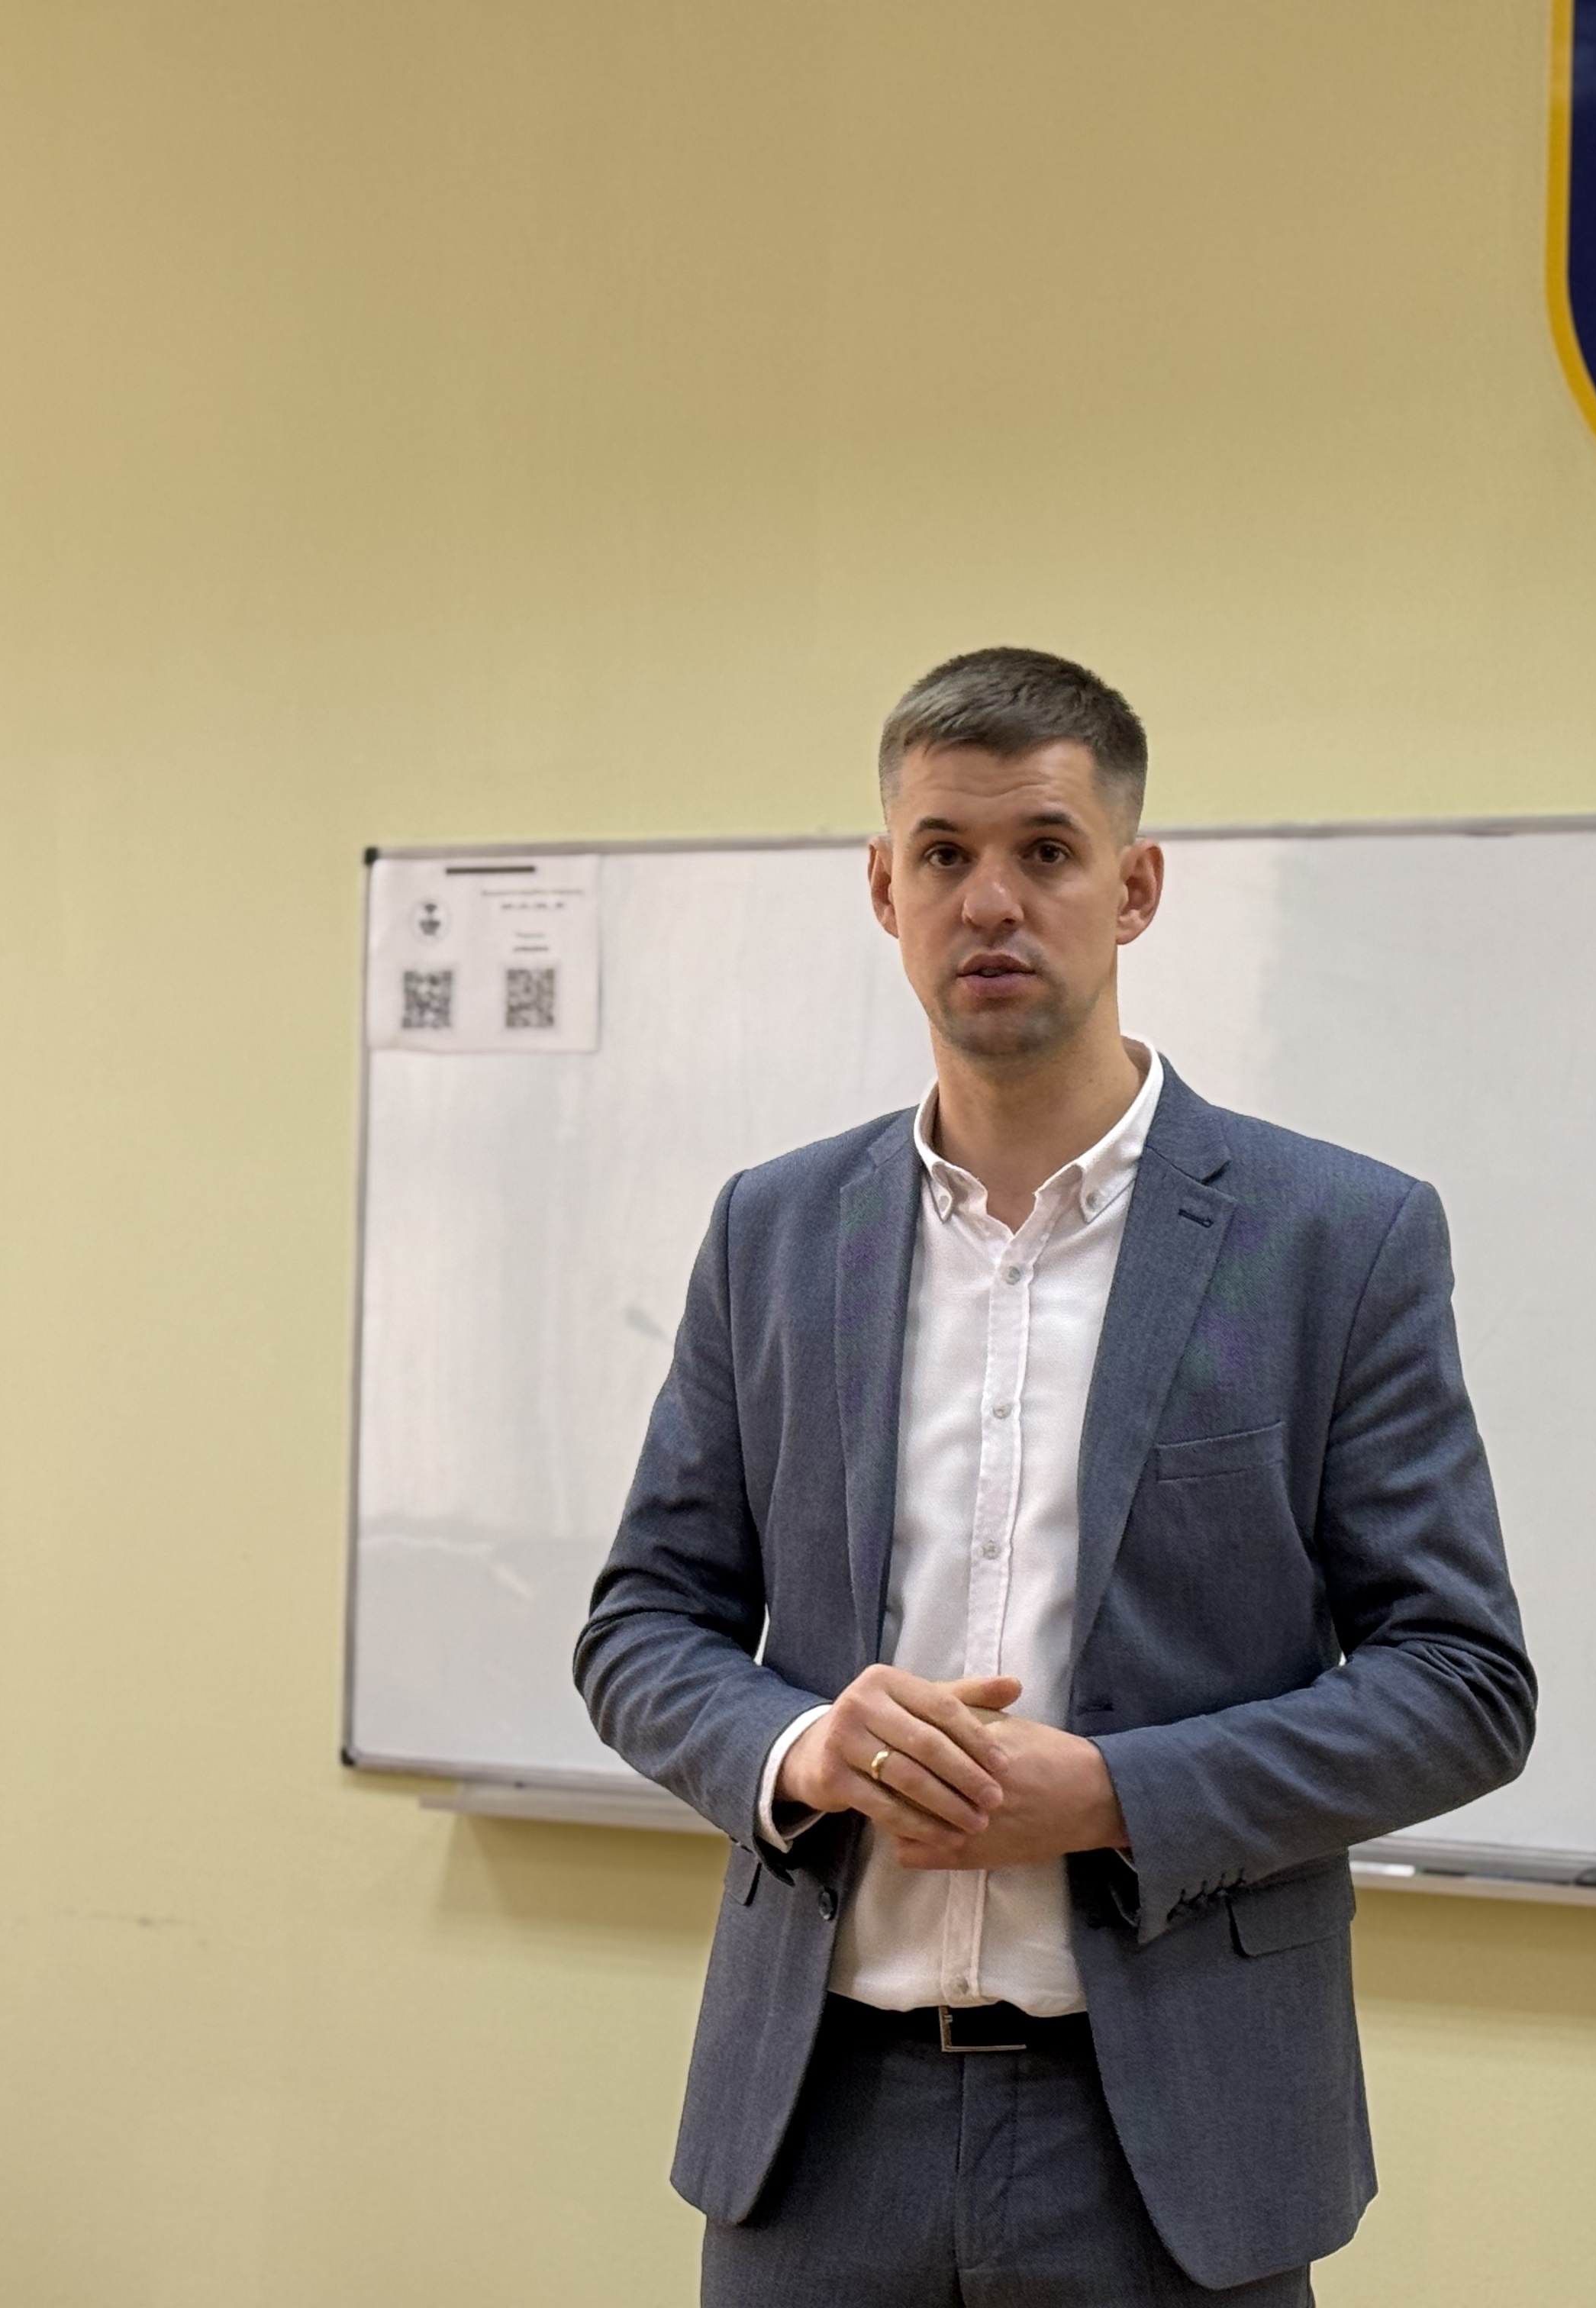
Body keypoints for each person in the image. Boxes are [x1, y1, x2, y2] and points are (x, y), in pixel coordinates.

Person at [575, 646, 1534, 2304]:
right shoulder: (773, 1231)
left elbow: (1462, 1685)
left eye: (1046, 850)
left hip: (1171, 2141)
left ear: (1134, 887)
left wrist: (1108, 1795)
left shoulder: (1337, 1238)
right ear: (884, 889)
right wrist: (805, 1749)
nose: (991, 902)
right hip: (815, 2131)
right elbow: (642, 1626)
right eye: (944, 853)